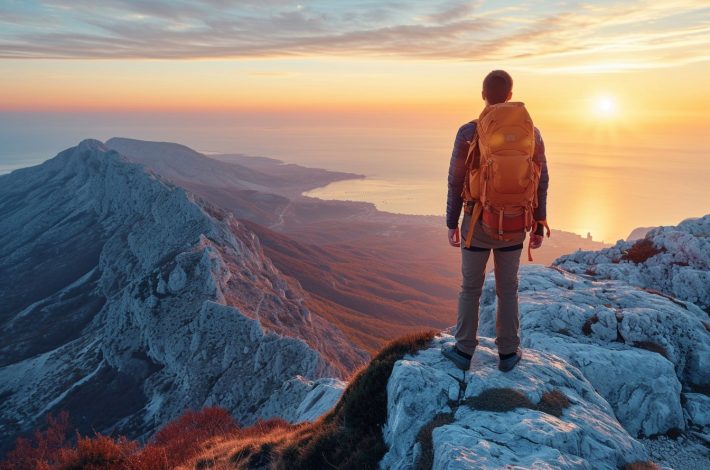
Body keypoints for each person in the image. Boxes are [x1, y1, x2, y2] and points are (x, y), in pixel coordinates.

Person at [441, 70, 549, 372]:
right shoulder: (532, 133)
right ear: (511, 96)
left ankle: (463, 351)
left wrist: (452, 222)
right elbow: (541, 180)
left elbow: (455, 180)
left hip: (476, 223)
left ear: (483, 95)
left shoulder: (467, 132)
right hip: (515, 224)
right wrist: (538, 223)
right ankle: (508, 353)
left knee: (470, 288)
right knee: (508, 289)